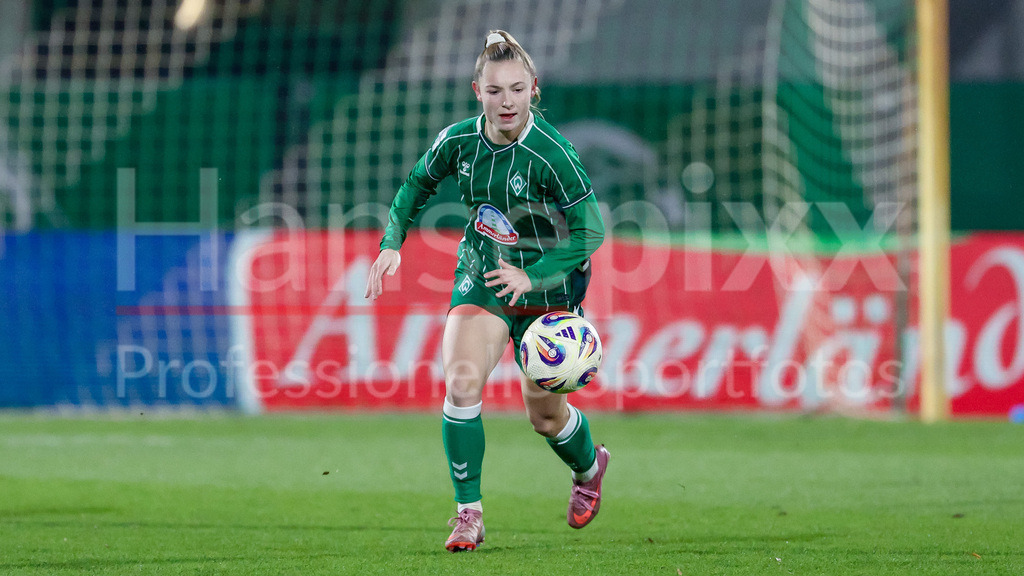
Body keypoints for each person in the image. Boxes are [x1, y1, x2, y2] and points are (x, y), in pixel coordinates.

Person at [364, 29, 609, 553]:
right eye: (495, 90)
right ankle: (468, 515)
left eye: (517, 90)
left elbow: (592, 232)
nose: (507, 102)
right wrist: (391, 243)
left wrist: (536, 275)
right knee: (462, 384)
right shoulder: (458, 140)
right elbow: (414, 185)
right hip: (484, 272)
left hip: (550, 287)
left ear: (534, 89)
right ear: (478, 90)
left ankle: (589, 467)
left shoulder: (553, 154)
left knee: (544, 417)